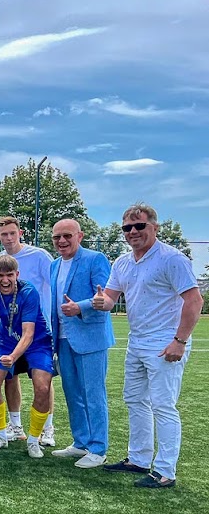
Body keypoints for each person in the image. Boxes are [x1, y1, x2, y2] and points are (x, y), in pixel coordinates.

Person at [96, 203, 201, 488]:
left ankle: (165, 471)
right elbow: (109, 299)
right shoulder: (122, 262)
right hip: (137, 340)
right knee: (134, 400)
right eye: (127, 228)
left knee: (163, 405)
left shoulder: (172, 259)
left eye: (139, 226)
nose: (133, 232)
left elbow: (194, 301)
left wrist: (179, 341)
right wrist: (98, 302)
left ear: (154, 227)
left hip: (165, 341)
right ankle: (139, 458)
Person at [48, 219, 114, 468]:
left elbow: (105, 295)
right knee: (73, 393)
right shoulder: (54, 265)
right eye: (57, 237)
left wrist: (81, 307)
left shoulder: (95, 259)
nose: (62, 241)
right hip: (63, 339)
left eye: (67, 236)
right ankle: (81, 442)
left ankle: (98, 448)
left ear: (80, 236)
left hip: (90, 337)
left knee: (94, 394)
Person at [0, 256, 55, 458]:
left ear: (17, 275)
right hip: (6, 340)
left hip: (37, 342)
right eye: (0, 275)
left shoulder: (28, 292)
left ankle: (33, 439)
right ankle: (2, 435)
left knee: (43, 386)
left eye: (9, 275)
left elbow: (28, 333)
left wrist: (13, 357)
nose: (5, 280)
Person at [0, 216, 56, 446]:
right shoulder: (0, 260)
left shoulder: (39, 255)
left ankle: (47, 428)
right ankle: (16, 426)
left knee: (43, 381)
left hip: (39, 331)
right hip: (10, 332)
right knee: (10, 378)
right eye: (4, 234)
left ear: (20, 233)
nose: (9, 238)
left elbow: (55, 282)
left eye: (12, 233)